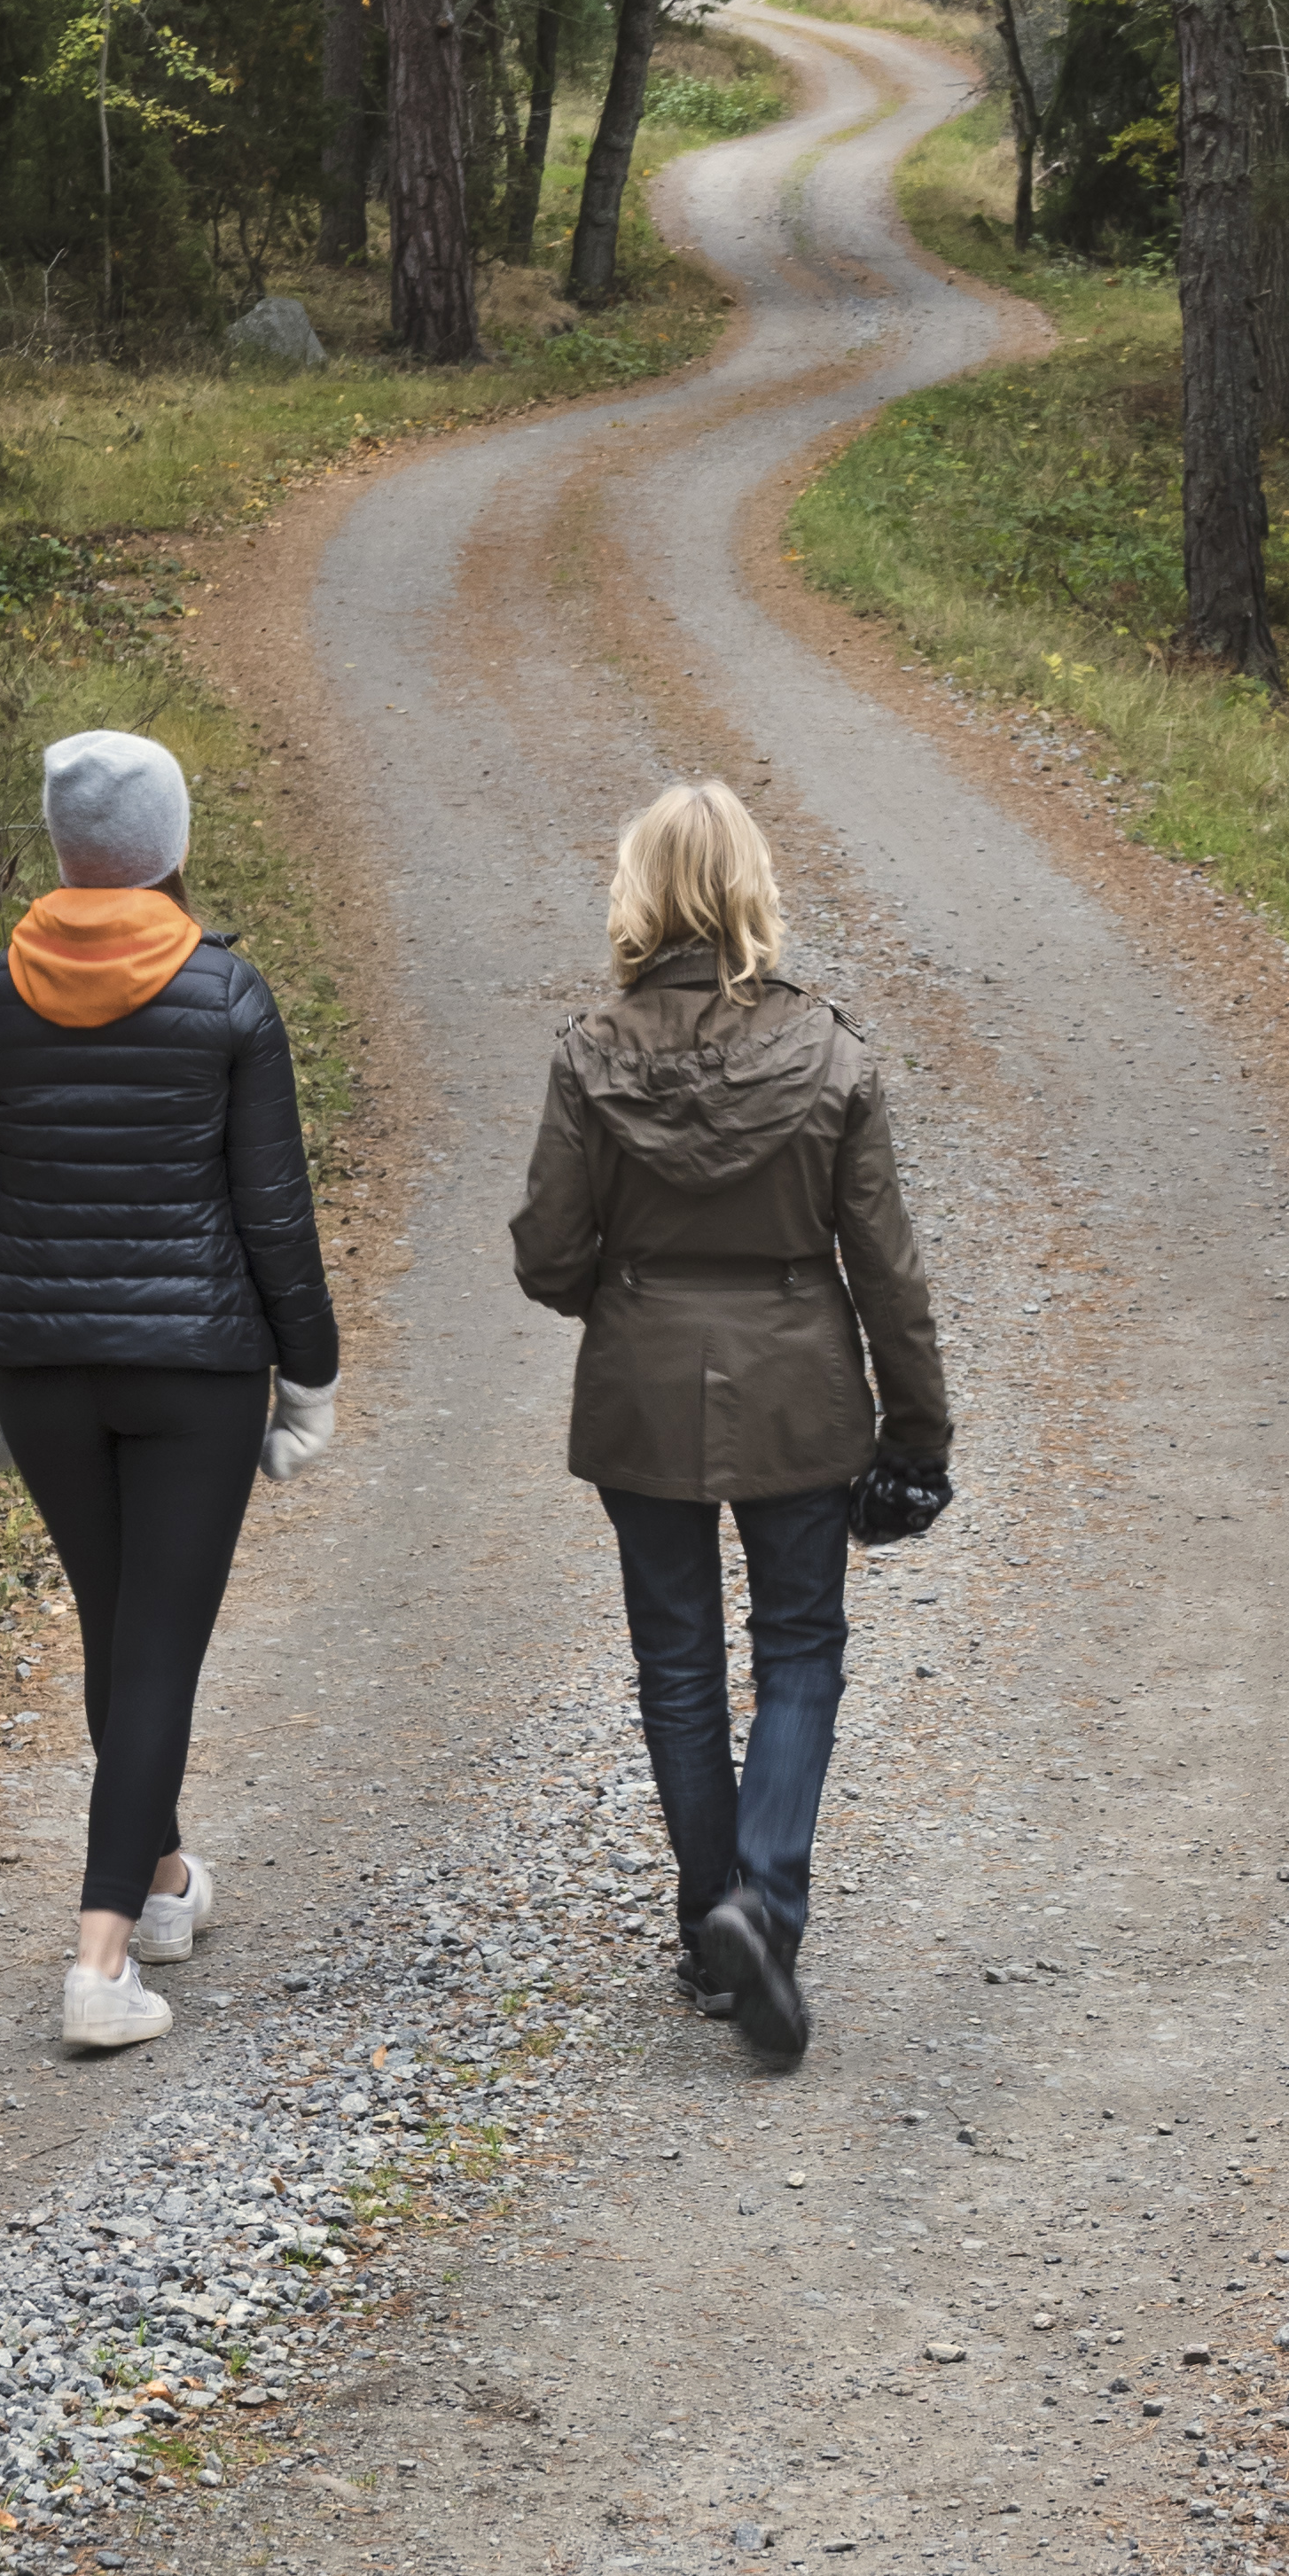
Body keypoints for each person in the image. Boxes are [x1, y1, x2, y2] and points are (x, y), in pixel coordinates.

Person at [509, 780, 953, 2072]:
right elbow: (889, 1269)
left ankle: (716, 1936)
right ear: (752, 891)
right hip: (798, 1383)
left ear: (640, 893)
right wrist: (918, 1433)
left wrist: (635, 1300)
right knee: (802, 1644)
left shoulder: (590, 1051)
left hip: (644, 1386)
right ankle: (765, 1901)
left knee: (678, 1662)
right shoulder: (828, 1052)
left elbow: (547, 1253)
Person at [0, 729, 341, 2053]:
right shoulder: (226, 1000)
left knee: (119, 1629)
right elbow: (273, 1213)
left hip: (46, 1374)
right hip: (196, 1376)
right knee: (156, 1646)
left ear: (64, 848)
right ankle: (100, 1965)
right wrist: (312, 1375)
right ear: (172, 845)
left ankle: (161, 1887)